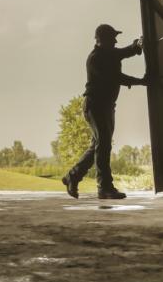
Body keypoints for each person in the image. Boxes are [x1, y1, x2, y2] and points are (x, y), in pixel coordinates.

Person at [62, 24, 148, 200]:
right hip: (95, 106)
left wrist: (137, 45)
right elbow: (115, 77)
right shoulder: (95, 59)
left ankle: (72, 176)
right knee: (103, 146)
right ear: (102, 40)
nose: (115, 41)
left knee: (99, 146)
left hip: (106, 106)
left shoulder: (110, 54)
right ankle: (104, 188)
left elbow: (126, 51)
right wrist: (141, 81)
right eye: (112, 38)